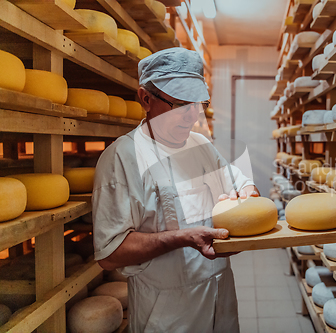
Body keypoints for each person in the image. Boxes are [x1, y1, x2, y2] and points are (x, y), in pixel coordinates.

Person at [92, 47, 259, 332]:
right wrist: (181, 238)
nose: (191, 116)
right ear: (146, 99)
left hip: (220, 295)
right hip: (167, 310)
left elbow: (241, 183)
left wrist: (247, 198)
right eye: (181, 105)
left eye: (198, 104)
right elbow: (109, 254)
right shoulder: (123, 157)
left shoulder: (201, 145)